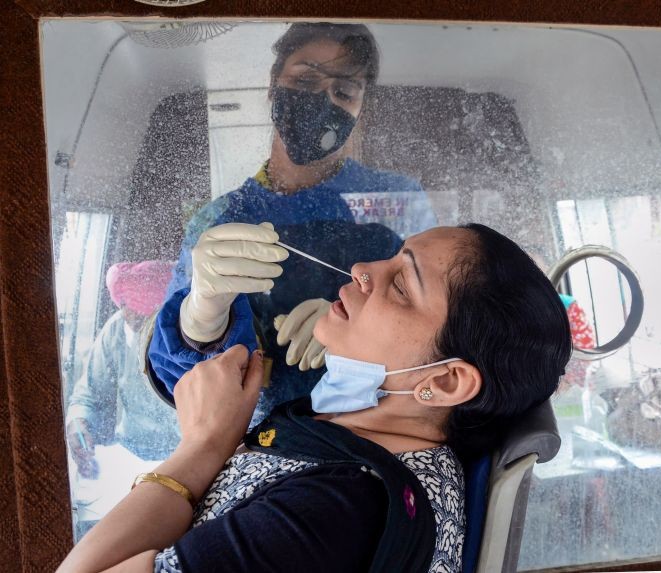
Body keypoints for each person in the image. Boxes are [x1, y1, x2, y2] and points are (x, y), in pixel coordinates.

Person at [59, 224, 572, 573]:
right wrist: (200, 315)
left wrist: (204, 445)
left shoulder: (336, 511)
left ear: (443, 383)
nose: (362, 267)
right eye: (390, 257)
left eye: (400, 285)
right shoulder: (366, 455)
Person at [149, 22, 437, 418]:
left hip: (374, 432)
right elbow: (176, 382)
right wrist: (201, 317)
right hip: (256, 439)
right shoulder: (218, 219)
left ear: (360, 107)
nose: (323, 100)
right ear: (273, 85)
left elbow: (441, 329)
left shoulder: (395, 200)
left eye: (344, 91)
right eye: (306, 80)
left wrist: (361, 328)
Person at [66, 261, 181, 478]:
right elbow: (87, 395)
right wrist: (78, 422)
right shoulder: (117, 329)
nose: (131, 316)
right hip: (127, 455)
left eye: (146, 314)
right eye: (126, 306)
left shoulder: (190, 336)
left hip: (183, 459)